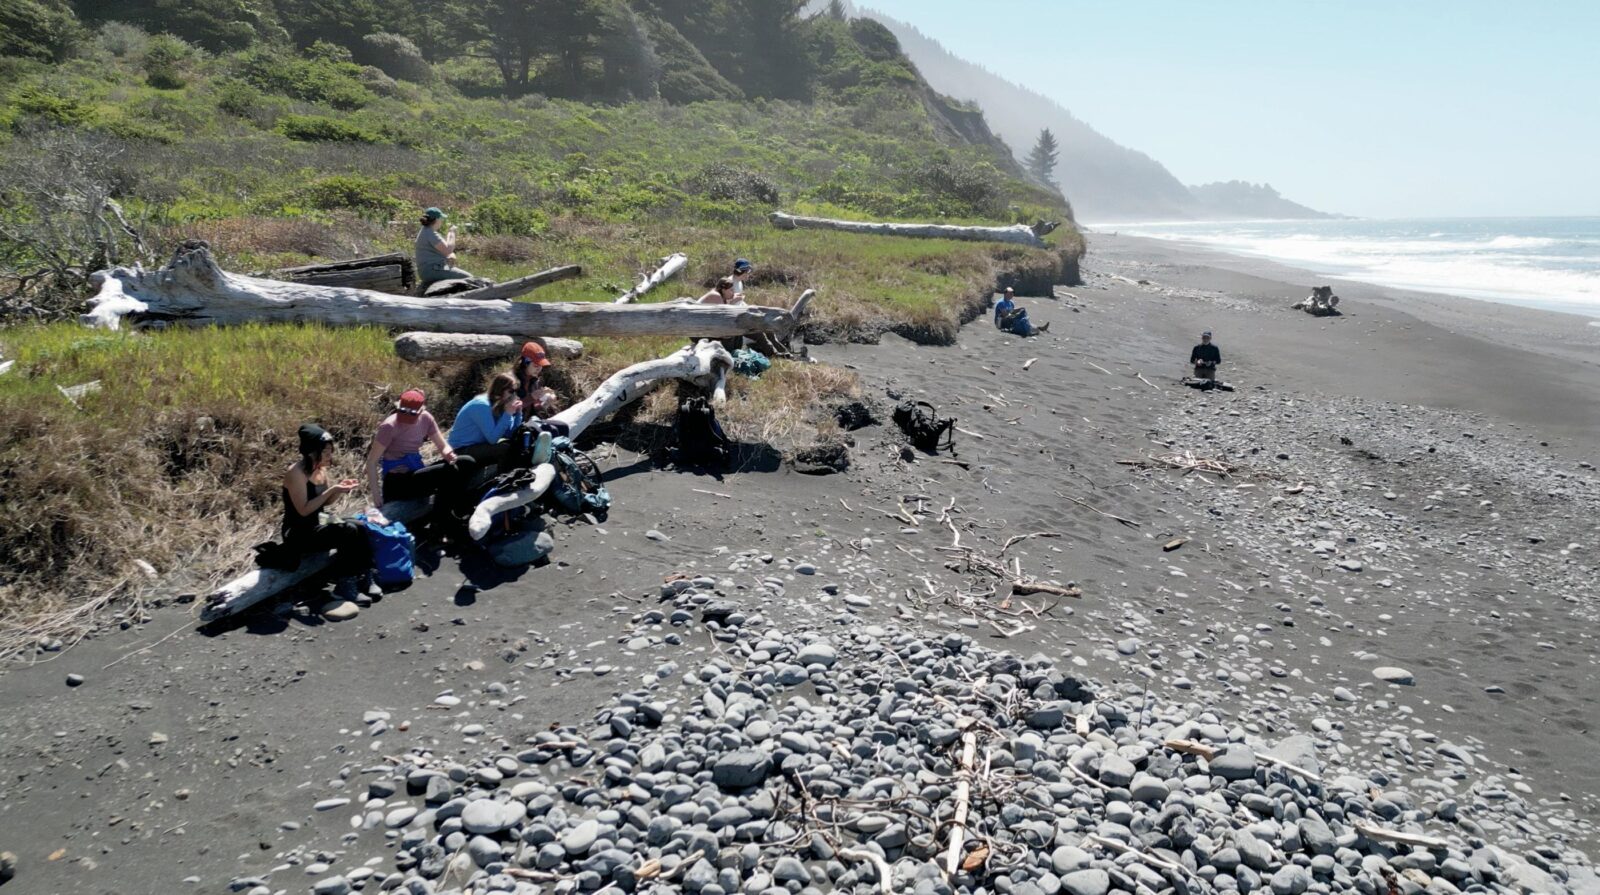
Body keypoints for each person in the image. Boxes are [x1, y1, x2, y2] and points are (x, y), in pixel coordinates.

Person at [282, 424, 371, 603]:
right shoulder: (296, 473)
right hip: (298, 530)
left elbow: (326, 502)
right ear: (312, 452)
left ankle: (362, 575)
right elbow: (304, 509)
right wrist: (331, 491)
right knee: (347, 530)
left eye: (331, 451)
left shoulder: (320, 468)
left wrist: (339, 490)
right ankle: (344, 585)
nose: (330, 456)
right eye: (326, 452)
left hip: (320, 520)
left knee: (360, 525)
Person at [365, 389, 479, 513]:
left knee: (467, 462)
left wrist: (448, 453)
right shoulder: (389, 427)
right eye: (403, 411)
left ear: (421, 411)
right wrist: (376, 496)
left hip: (416, 470)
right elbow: (371, 461)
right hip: (397, 480)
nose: (406, 415)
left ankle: (454, 508)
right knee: (450, 471)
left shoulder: (426, 419)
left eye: (412, 413)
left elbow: (442, 445)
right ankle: (441, 519)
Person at [448, 373, 523, 465]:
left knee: (516, 443)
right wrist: (508, 414)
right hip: (460, 450)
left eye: (515, 391)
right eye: (511, 391)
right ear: (500, 390)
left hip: (477, 445)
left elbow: (511, 434)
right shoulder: (481, 405)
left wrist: (518, 413)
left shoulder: (500, 406)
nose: (513, 395)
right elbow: (493, 439)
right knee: (505, 449)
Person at [415, 207, 473, 289]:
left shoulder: (426, 231)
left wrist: (449, 233)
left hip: (433, 268)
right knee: (470, 278)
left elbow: (446, 248)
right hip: (432, 270)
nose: (442, 221)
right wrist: (452, 233)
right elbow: (449, 249)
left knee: (455, 270)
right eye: (441, 218)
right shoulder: (430, 233)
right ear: (436, 219)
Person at [513, 341, 559, 415]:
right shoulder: (510, 381)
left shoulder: (535, 380)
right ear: (525, 363)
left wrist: (548, 402)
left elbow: (535, 408)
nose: (539, 369)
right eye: (536, 365)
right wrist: (531, 397)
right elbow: (509, 410)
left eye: (541, 365)